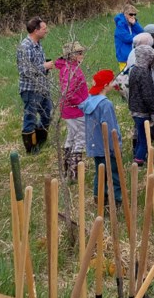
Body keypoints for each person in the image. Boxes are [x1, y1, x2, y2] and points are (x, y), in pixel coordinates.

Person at [80, 69, 123, 206]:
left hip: (95, 145)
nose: (113, 83)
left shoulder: (89, 101)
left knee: (100, 172)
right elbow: (110, 129)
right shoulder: (105, 104)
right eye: (111, 81)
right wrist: (115, 148)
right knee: (114, 173)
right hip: (107, 147)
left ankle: (99, 198)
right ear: (105, 85)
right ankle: (116, 200)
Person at [16, 16, 55, 155]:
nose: (46, 31)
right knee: (30, 118)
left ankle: (40, 141)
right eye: (44, 29)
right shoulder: (25, 47)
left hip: (43, 87)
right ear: (35, 30)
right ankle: (31, 149)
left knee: (47, 114)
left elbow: (36, 65)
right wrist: (43, 66)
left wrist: (45, 67)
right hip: (30, 89)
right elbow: (25, 70)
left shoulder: (38, 44)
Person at [55, 42, 88, 180]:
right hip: (75, 110)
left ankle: (67, 169)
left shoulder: (70, 67)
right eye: (79, 53)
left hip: (70, 109)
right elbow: (68, 92)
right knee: (80, 136)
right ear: (72, 55)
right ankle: (75, 172)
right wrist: (82, 103)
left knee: (71, 136)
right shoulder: (70, 70)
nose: (82, 55)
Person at [128, 43, 154, 166]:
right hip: (143, 111)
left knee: (140, 134)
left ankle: (136, 154)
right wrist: (153, 111)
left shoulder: (134, 69)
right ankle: (139, 160)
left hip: (134, 109)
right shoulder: (144, 73)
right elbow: (147, 95)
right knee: (145, 137)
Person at [114, 4, 143, 70]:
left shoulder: (133, 24)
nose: (133, 16)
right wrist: (139, 37)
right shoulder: (120, 26)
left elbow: (142, 33)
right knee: (125, 78)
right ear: (125, 14)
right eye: (131, 14)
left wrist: (135, 24)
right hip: (124, 58)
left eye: (134, 14)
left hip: (134, 56)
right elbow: (127, 38)